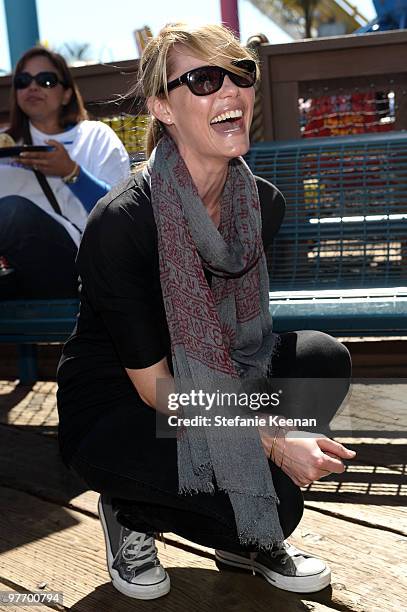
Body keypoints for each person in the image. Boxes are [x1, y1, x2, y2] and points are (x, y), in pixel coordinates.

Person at [57, 23, 355, 601]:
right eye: (202, 79)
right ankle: (130, 511)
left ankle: (240, 537)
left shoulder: (261, 204)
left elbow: (240, 342)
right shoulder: (122, 223)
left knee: (321, 358)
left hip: (213, 384)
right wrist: (270, 439)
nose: (230, 93)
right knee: (281, 501)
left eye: (239, 75)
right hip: (126, 405)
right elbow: (157, 390)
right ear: (161, 106)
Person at [0, 46, 130, 298]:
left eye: (46, 80)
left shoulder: (94, 136)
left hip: (76, 267)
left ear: (66, 93)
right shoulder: (4, 146)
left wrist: (72, 173)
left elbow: (122, 217)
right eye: (23, 81)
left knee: (12, 211)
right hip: (11, 275)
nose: (33, 88)